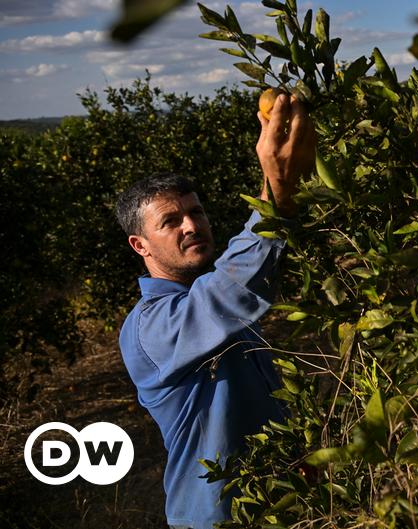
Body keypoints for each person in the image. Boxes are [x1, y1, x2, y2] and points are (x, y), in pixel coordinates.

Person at [114, 92, 315, 529]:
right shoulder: (149, 329)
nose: (191, 225)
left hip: (279, 508)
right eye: (170, 221)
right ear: (140, 245)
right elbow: (224, 293)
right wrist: (276, 192)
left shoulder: (218, 311)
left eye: (196, 212)